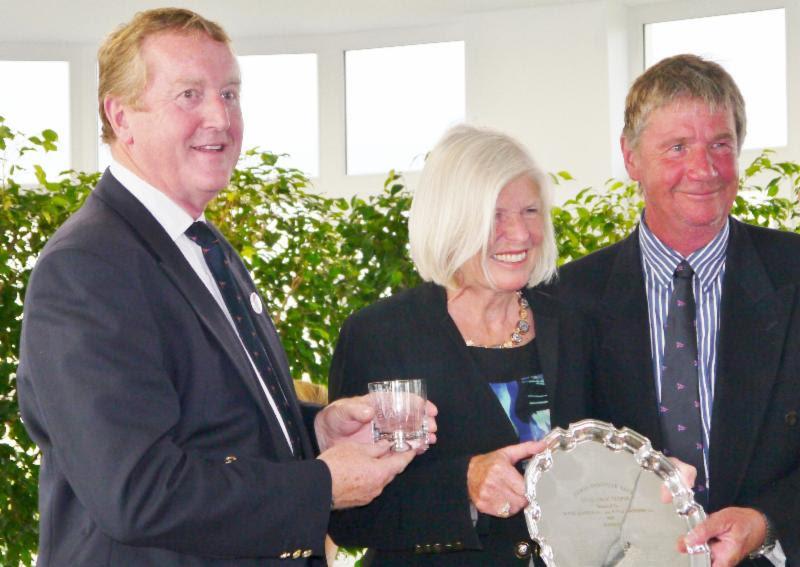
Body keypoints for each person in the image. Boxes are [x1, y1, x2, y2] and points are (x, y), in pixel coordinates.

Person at [16, 8, 435, 566]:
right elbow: (138, 492)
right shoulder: (87, 266)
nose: (220, 117)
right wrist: (321, 485)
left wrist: (317, 433)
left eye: (230, 94)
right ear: (122, 117)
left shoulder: (203, 244)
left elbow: (218, 430)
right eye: (189, 95)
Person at [556, 54, 799, 566]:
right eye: (677, 147)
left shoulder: (794, 273)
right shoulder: (570, 296)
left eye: (720, 145)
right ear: (630, 158)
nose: (704, 169)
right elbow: (565, 464)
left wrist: (766, 520)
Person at [328, 124, 592, 565]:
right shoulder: (383, 335)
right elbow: (351, 518)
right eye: (496, 216)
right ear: (452, 221)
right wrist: (462, 487)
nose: (521, 234)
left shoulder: (575, 325)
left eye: (529, 211)